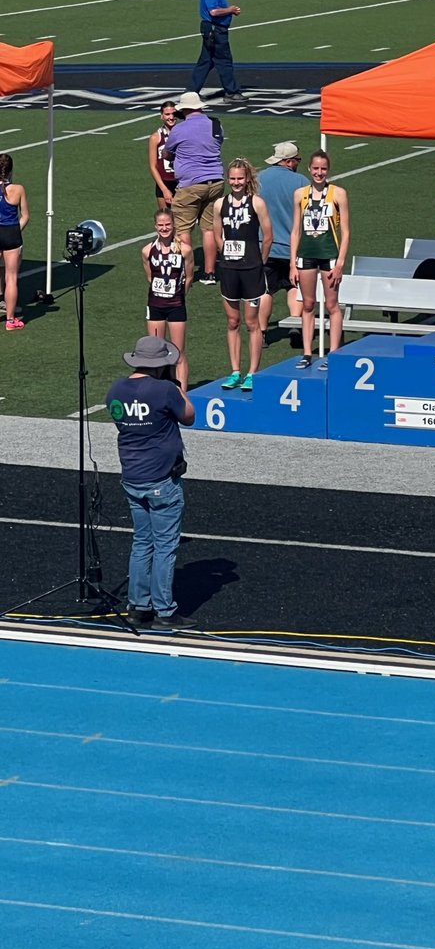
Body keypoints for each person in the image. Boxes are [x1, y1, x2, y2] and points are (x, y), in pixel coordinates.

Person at [106, 335, 196, 630]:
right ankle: (165, 610)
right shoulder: (164, 390)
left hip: (132, 475)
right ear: (160, 364)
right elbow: (189, 416)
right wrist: (178, 388)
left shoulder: (116, 389)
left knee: (142, 542)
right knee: (165, 545)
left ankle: (138, 605)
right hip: (161, 478)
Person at [211, 158, 272, 391]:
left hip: (251, 269)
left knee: (252, 322)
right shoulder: (220, 204)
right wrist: (226, 254)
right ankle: (235, 371)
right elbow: (217, 234)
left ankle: (252, 372)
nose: (236, 182)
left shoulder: (256, 203)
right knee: (232, 321)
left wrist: (260, 260)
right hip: (229, 270)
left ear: (247, 179)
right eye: (233, 179)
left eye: (240, 178)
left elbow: (268, 236)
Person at [290, 149, 350, 370]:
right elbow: (295, 230)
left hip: (329, 255)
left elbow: (346, 231)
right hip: (306, 255)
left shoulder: (338, 194)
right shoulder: (300, 194)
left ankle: (333, 353)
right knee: (307, 304)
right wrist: (292, 263)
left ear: (328, 170)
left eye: (323, 169)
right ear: (309, 168)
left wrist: (341, 261)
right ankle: (307, 353)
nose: (319, 172)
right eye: (315, 168)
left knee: (332, 304)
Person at [164, 91, 225, 284]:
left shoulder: (179, 129)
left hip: (190, 184)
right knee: (209, 228)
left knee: (183, 229)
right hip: (216, 180)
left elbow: (167, 153)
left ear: (184, 110)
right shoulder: (215, 124)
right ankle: (210, 273)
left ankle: (186, 271)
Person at [257, 140, 309, 348]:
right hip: (292, 247)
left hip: (265, 246)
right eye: (297, 160)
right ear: (289, 161)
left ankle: (261, 333)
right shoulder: (301, 181)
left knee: (265, 291)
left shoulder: (259, 179)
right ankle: (295, 323)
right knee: (294, 286)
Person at [141, 208, 193, 390]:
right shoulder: (147, 250)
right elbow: (150, 276)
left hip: (176, 305)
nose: (164, 228)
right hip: (155, 305)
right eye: (161, 225)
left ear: (174, 225)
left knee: (178, 353)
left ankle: (182, 393)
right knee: (155, 353)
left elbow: (189, 277)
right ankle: (158, 390)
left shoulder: (185, 250)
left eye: (168, 224)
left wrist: (177, 294)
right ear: (155, 226)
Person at [189, 0, 248, 103]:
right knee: (224, 61)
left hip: (211, 29)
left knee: (206, 61)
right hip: (216, 30)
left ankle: (191, 92)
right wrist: (230, 10)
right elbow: (214, 11)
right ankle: (231, 92)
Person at [0, 153, 28, 330]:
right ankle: (10, 321)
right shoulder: (18, 189)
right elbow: (25, 216)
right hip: (11, 233)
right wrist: (15, 230)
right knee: (11, 277)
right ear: (10, 171)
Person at [148, 100, 178, 206]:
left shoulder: (184, 134)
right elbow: (153, 166)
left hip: (182, 182)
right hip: (164, 182)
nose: (171, 117)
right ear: (162, 116)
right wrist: (164, 189)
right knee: (165, 215)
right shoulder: (156, 137)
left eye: (173, 114)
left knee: (184, 215)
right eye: (167, 114)